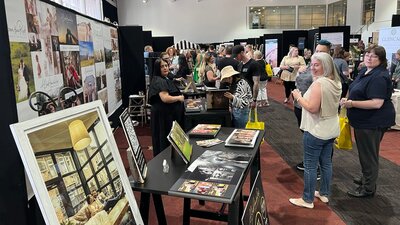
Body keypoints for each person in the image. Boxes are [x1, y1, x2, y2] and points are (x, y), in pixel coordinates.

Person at [341, 45, 395, 198]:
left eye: (374, 56)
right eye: (367, 55)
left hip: (372, 121)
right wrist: (349, 99)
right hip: (364, 121)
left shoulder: (379, 76)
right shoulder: (366, 71)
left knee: (368, 155)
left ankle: (368, 188)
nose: (369, 58)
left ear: (381, 59)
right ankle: (367, 178)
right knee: (367, 153)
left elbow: (376, 103)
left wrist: (351, 104)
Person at [289, 52, 342, 209]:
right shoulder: (336, 82)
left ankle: (307, 199)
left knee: (310, 166)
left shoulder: (320, 84)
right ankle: (324, 194)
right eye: (311, 64)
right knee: (326, 163)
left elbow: (312, 108)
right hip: (330, 129)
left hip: (316, 130)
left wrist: (298, 96)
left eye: (316, 65)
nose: (312, 67)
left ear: (326, 66)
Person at [148, 58, 184, 156]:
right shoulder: (159, 81)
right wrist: (179, 98)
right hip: (162, 117)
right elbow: (165, 98)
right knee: (163, 140)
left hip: (164, 115)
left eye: (166, 65)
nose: (165, 68)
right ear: (157, 68)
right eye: (162, 66)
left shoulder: (163, 79)